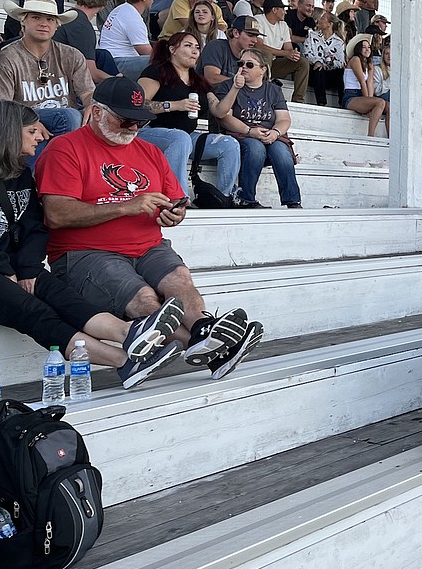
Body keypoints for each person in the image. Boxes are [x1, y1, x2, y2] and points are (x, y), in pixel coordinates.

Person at [35, 77, 262, 379]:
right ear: (97, 112)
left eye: (139, 121)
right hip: (85, 253)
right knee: (145, 299)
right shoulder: (64, 149)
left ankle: (204, 329)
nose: (133, 128)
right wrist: (124, 206)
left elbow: (175, 201)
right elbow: (56, 214)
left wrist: (174, 215)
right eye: (125, 120)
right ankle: (210, 349)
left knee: (180, 279)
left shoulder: (150, 152)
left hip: (148, 245)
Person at [0, 101, 186, 388]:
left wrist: (26, 269)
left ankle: (129, 334)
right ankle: (124, 362)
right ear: (9, 132)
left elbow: (35, 227)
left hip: (13, 264)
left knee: (65, 299)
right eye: (32, 130)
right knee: (36, 312)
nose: (40, 137)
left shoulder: (21, 174)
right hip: (1, 268)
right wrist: (6, 270)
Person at [137, 31, 240, 200]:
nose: (194, 51)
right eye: (188, 45)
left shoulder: (199, 81)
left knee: (229, 144)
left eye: (197, 47)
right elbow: (139, 104)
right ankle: (177, 197)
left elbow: (219, 111)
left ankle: (224, 197)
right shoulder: (157, 71)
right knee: (180, 138)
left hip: (188, 136)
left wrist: (235, 87)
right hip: (151, 132)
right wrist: (174, 105)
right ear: (172, 49)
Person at [0, 0, 93, 153]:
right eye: (36, 17)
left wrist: (92, 104)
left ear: (57, 25)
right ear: (23, 21)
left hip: (66, 126)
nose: (44, 23)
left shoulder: (72, 55)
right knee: (70, 117)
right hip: (23, 122)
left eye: (50, 19)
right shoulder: (7, 57)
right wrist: (31, 122)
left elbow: (87, 92)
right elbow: (3, 105)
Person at [209, 51, 302, 210]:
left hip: (270, 135)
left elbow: (284, 119)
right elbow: (224, 118)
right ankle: (246, 199)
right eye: (240, 64)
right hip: (241, 134)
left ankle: (293, 201)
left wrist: (276, 132)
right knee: (255, 148)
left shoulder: (274, 90)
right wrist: (249, 131)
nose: (243, 67)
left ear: (263, 69)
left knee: (281, 150)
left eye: (249, 64)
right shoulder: (227, 85)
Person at [53, 0, 118, 85]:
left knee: (103, 55)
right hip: (60, 82)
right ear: (105, 3)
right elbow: (90, 73)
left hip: (55, 69)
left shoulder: (68, 15)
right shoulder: (82, 27)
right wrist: (118, 81)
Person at [253, 0, 308, 104]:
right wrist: (286, 53)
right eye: (283, 9)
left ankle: (298, 100)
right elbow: (259, 46)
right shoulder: (257, 20)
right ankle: (262, 92)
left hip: (273, 65)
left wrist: (293, 54)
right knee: (266, 54)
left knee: (302, 62)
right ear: (274, 10)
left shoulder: (283, 25)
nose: (285, 12)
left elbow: (289, 49)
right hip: (256, 65)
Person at [98, 0, 155, 80]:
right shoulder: (132, 17)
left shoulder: (122, 9)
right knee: (159, 63)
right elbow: (147, 52)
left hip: (112, 60)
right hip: (117, 63)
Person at [341, 34, 388, 137]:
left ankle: (391, 137)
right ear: (359, 48)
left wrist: (369, 100)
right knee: (379, 102)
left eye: (369, 47)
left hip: (361, 95)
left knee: (387, 106)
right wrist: (368, 101)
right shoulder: (355, 59)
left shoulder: (369, 63)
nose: (367, 49)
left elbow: (370, 83)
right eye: (364, 47)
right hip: (351, 96)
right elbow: (362, 81)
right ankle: (371, 135)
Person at [200, 16, 264, 85]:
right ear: (236, 33)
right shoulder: (216, 46)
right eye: (250, 35)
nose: (255, 41)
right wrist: (241, 82)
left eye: (256, 36)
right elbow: (211, 78)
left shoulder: (249, 56)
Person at [303, 12, 346, 107]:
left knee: (341, 72)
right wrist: (317, 62)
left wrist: (329, 64)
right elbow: (306, 53)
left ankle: (343, 102)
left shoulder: (339, 42)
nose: (319, 20)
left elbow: (340, 61)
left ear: (330, 24)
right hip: (315, 72)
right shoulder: (312, 36)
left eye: (322, 19)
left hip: (330, 73)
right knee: (319, 69)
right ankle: (321, 102)